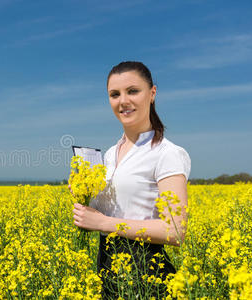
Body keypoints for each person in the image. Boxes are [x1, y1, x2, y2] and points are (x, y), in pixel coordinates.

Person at [70, 61, 191, 298]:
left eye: (133, 91)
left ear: (152, 93)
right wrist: (82, 192)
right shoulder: (109, 154)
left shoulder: (167, 153)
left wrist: (103, 224)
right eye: (114, 94)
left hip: (147, 276)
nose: (123, 101)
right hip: (108, 272)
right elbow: (106, 212)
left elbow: (176, 231)